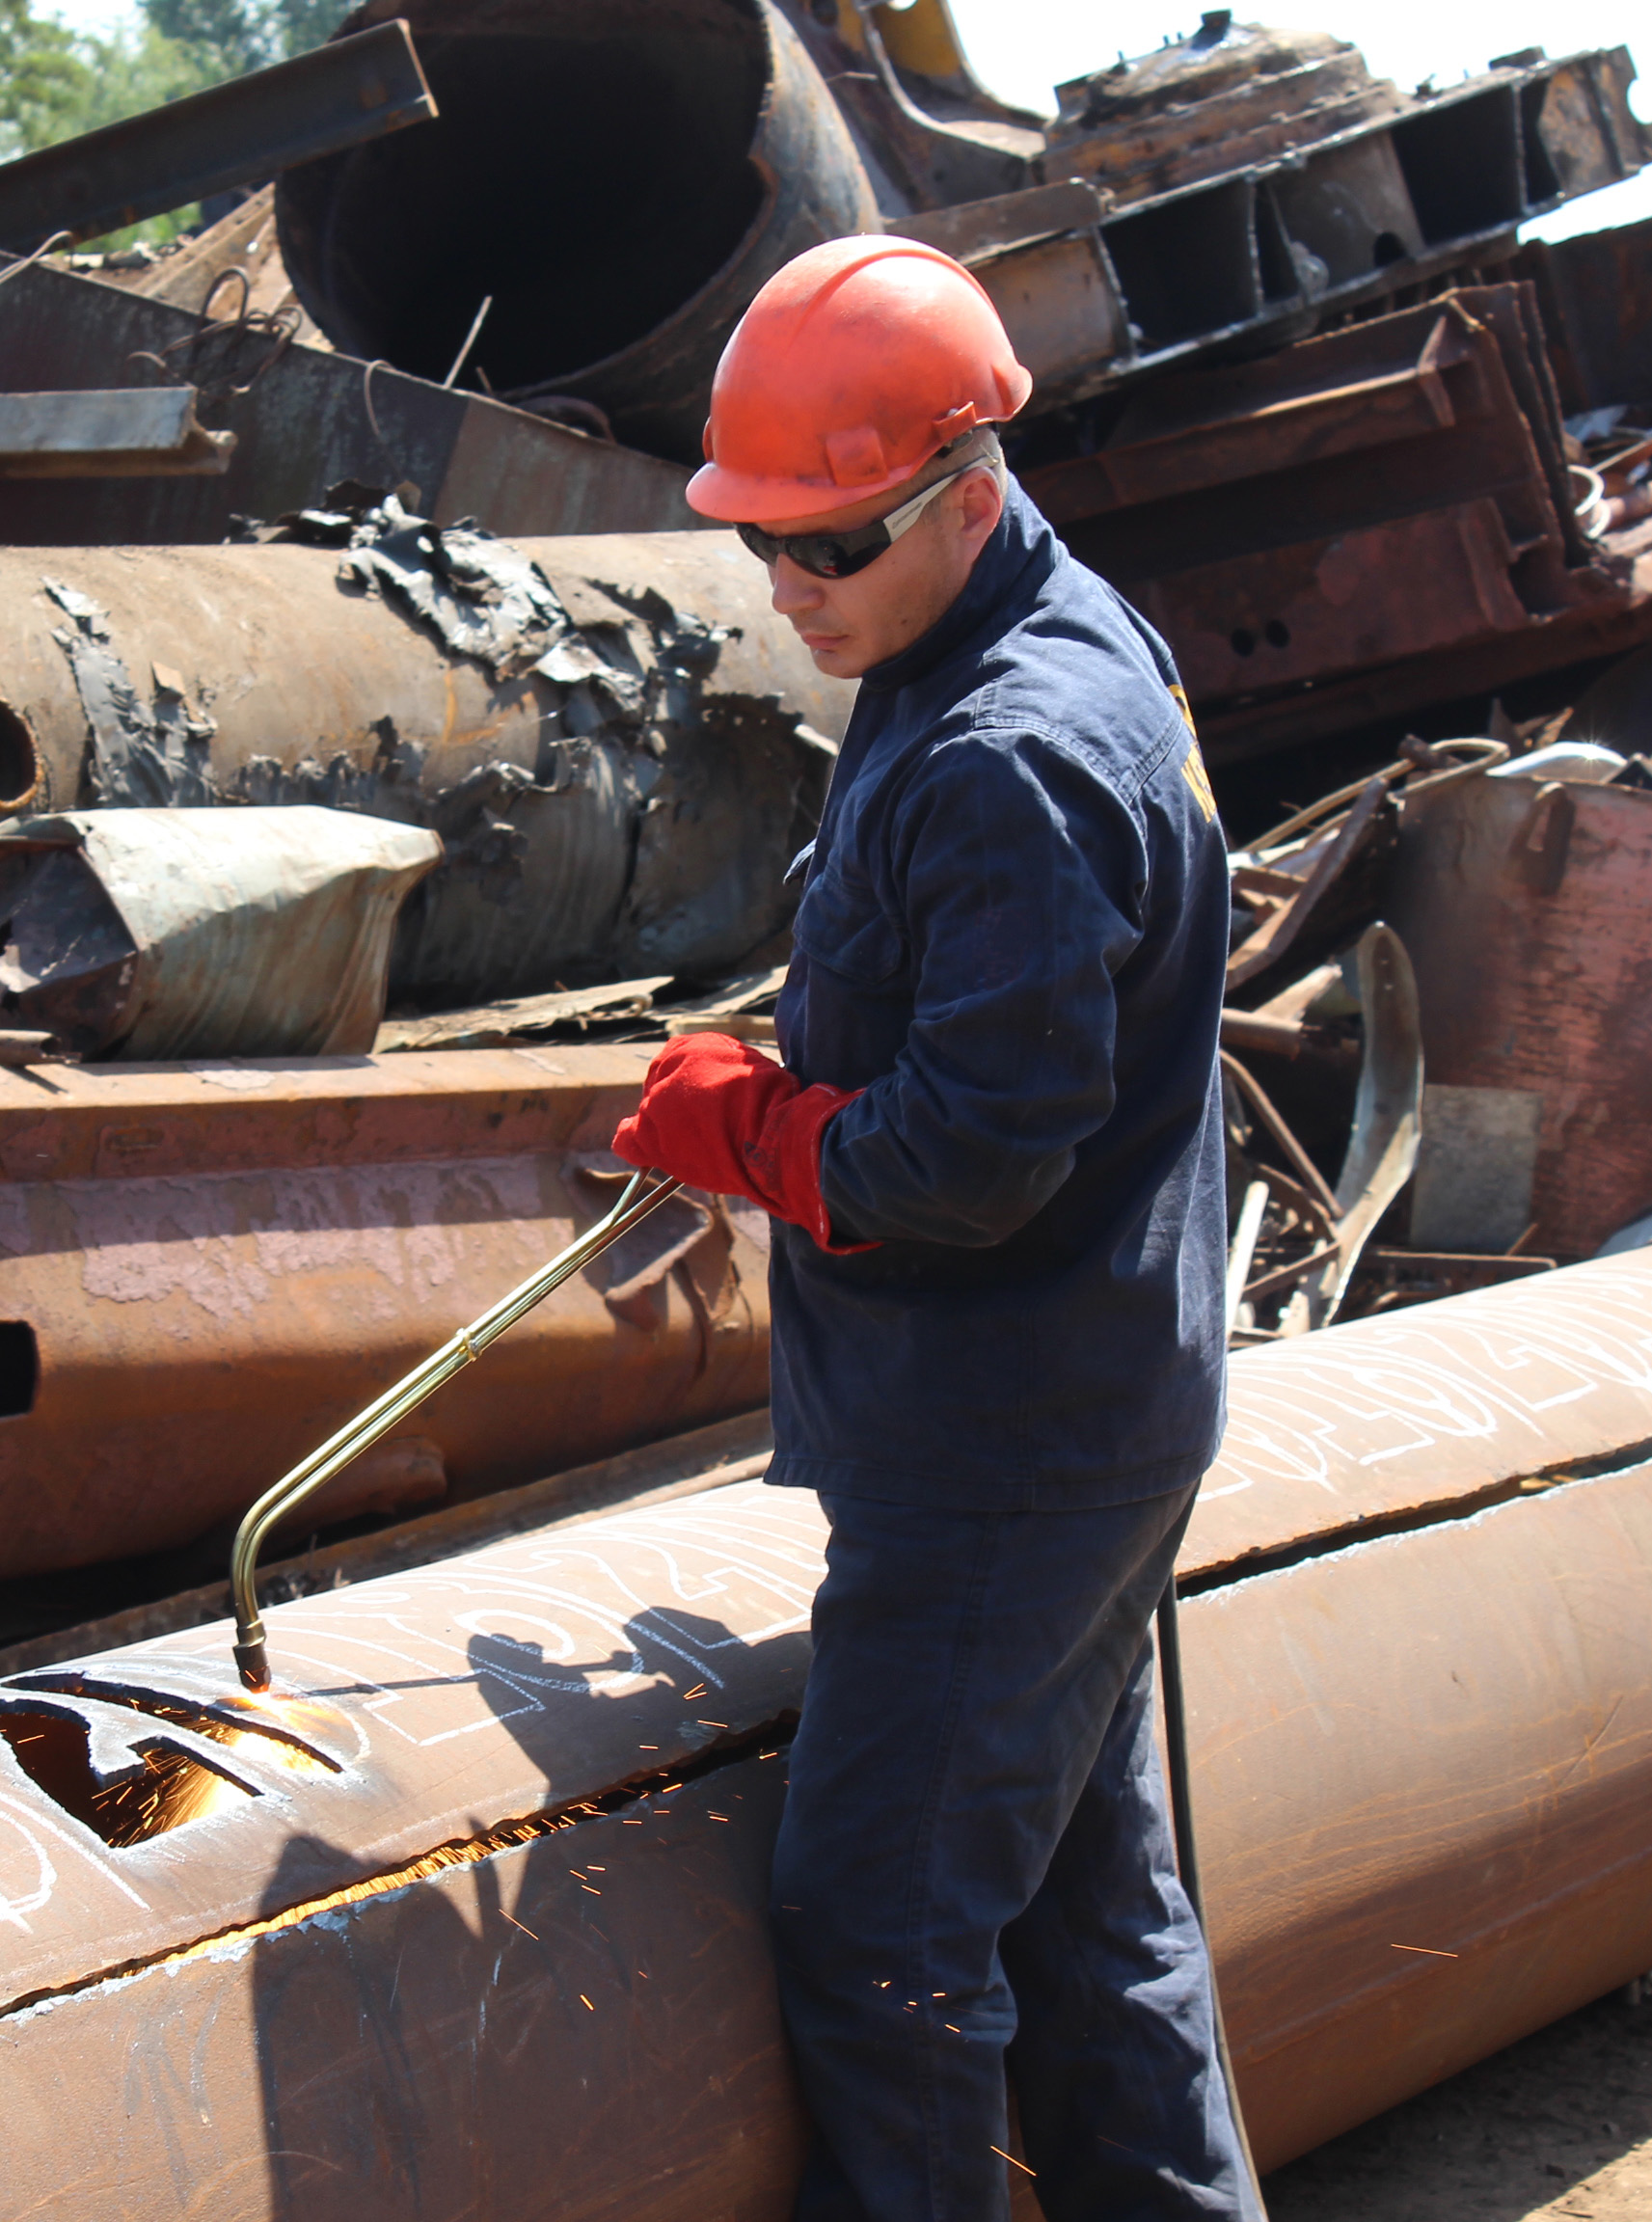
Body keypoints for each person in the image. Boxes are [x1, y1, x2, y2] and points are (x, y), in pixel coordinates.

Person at [610, 236, 1257, 2220]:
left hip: (1007, 1447)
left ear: (967, 485)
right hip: (1088, 1402)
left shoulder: (1004, 757)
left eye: (832, 549)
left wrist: (768, 1134)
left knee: (885, 1939)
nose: (790, 594)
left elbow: (974, 1160)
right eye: (763, 551)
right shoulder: (1015, 628)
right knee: (1088, 1927)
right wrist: (814, 1062)